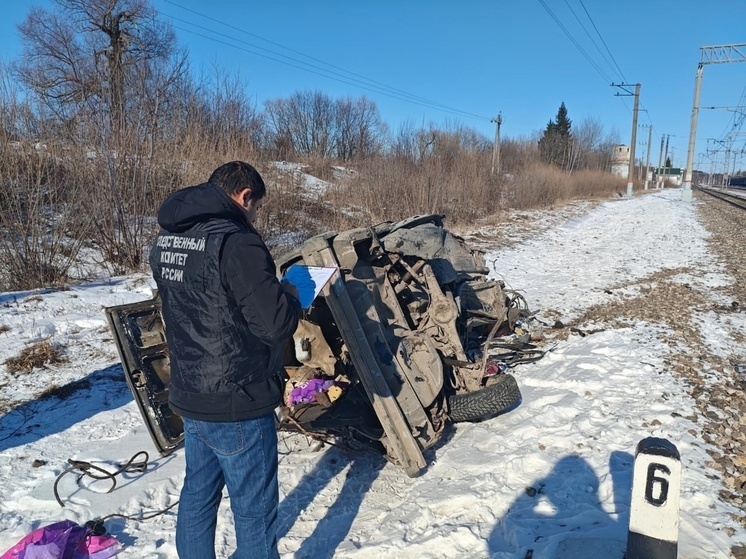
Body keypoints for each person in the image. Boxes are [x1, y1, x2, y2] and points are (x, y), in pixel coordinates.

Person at [149, 161, 302, 559]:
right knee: (254, 512)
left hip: (191, 393)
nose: (255, 217)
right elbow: (273, 326)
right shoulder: (237, 243)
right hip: (238, 398)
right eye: (257, 208)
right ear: (245, 196)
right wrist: (292, 293)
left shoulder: (167, 239)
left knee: (198, 496)